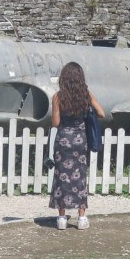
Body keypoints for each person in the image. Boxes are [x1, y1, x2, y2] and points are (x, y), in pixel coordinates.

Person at [49, 62, 105, 230]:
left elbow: (55, 123)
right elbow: (102, 113)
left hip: (63, 139)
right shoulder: (85, 95)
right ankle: (81, 218)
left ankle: (61, 218)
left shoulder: (57, 97)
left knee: (61, 176)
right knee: (80, 176)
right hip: (80, 140)